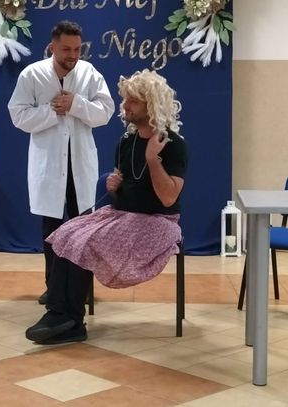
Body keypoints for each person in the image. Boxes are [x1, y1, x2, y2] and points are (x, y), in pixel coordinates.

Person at [25, 69, 187, 345]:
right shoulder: (126, 141)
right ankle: (59, 313)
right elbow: (124, 184)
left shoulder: (172, 144)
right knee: (64, 234)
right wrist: (113, 185)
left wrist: (153, 160)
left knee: (84, 243)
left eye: (132, 101)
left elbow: (169, 198)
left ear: (151, 104)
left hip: (157, 222)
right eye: (125, 99)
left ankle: (70, 319)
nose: (124, 106)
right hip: (121, 214)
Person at [8, 21, 115, 304]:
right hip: (49, 167)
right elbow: (18, 116)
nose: (73, 55)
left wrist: (76, 104)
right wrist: (52, 111)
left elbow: (105, 112)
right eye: (66, 49)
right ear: (52, 47)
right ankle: (53, 289)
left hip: (80, 165)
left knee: (83, 230)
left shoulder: (89, 73)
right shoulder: (32, 74)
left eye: (77, 49)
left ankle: (82, 290)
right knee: (51, 231)